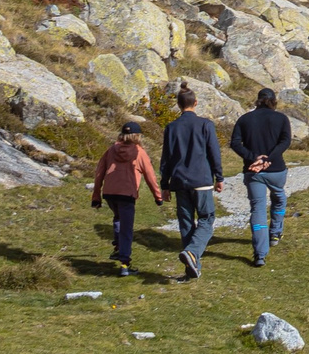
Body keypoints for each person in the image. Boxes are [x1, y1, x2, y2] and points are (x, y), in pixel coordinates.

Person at [159, 84, 222, 281]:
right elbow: (214, 153)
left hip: (179, 181)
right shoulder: (205, 125)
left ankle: (191, 269)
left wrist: (165, 184)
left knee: (186, 223)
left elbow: (166, 158)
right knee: (206, 219)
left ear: (178, 105)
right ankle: (193, 253)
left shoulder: (171, 128)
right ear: (195, 103)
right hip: (201, 180)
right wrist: (219, 177)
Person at [89, 118, 164, 275]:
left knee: (118, 218)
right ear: (138, 137)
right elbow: (150, 176)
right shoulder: (139, 152)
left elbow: (99, 173)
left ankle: (118, 248)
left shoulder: (111, 150)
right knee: (126, 228)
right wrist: (158, 196)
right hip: (126, 194)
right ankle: (124, 264)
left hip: (109, 193)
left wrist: (96, 195)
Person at [231, 86, 293, 266]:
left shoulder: (244, 119)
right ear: (273, 101)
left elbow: (235, 143)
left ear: (257, 101)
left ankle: (260, 254)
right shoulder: (281, 118)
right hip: (276, 169)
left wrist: (253, 158)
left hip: (253, 171)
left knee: (257, 208)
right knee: (279, 196)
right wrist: (269, 158)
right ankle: (275, 232)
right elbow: (285, 141)